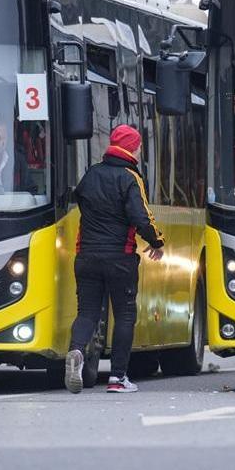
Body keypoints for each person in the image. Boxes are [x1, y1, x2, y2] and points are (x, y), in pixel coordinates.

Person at [66, 124, 165, 394]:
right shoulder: (130, 177)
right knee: (124, 314)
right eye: (139, 144)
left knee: (87, 311)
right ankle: (118, 377)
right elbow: (140, 217)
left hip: (86, 255)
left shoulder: (90, 175)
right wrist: (157, 242)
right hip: (119, 258)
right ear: (132, 147)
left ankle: (76, 351)